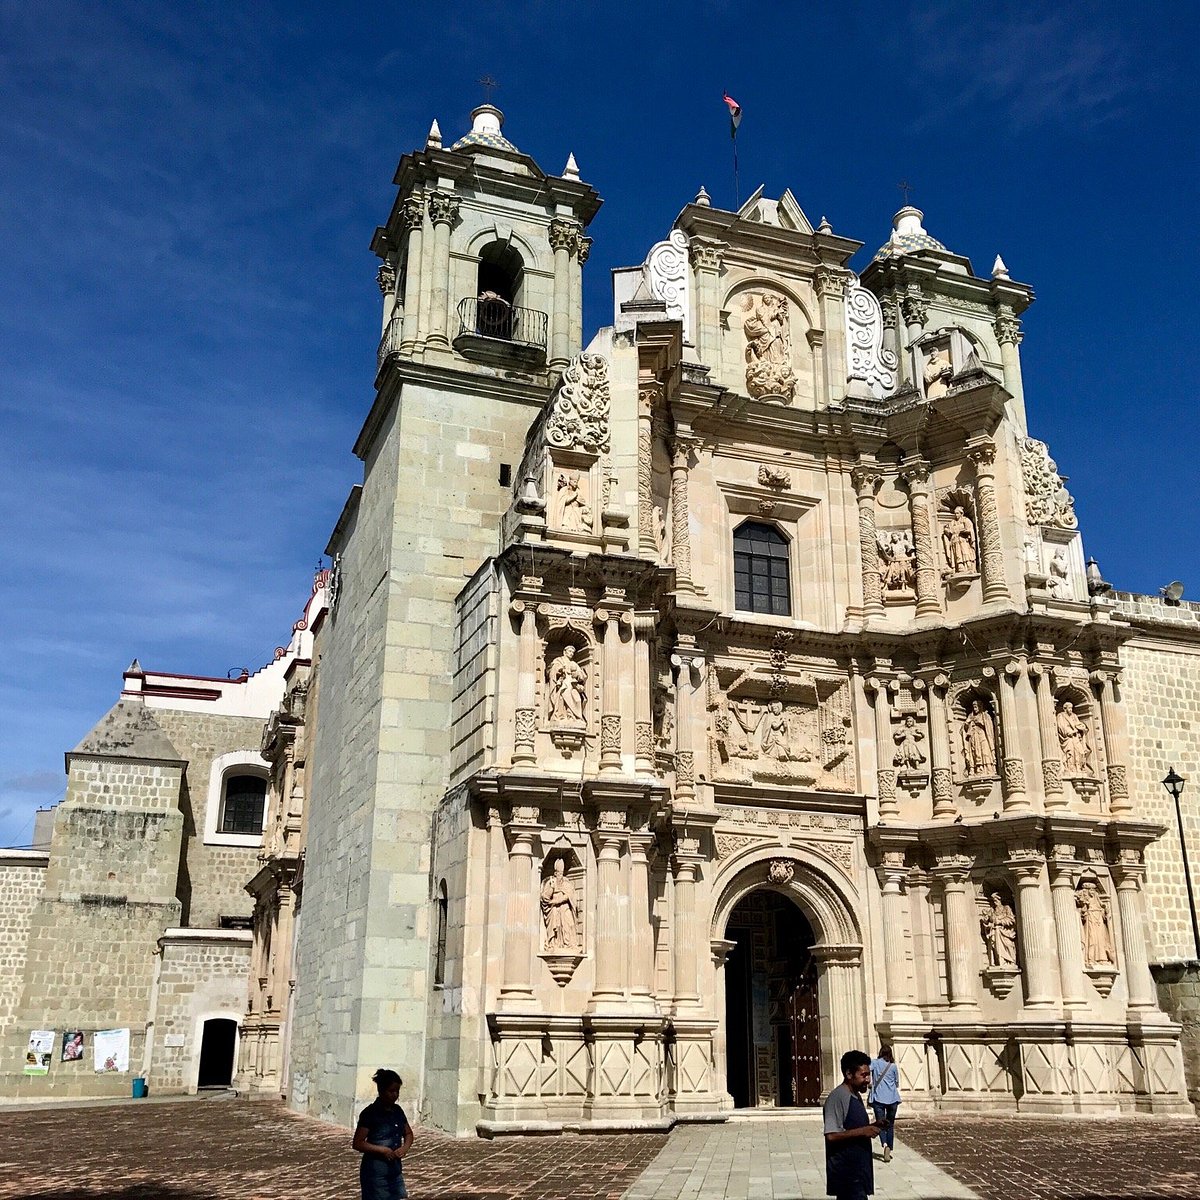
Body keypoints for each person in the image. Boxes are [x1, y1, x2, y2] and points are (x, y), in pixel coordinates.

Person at [823, 1048, 884, 1199]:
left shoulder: (855, 1094)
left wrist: (875, 1125)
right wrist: (864, 1131)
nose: (868, 1080)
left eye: (868, 1074)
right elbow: (831, 1135)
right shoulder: (837, 1097)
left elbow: (852, 1127)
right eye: (863, 1075)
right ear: (849, 1074)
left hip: (858, 1171)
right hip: (846, 1175)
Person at [353, 1068, 414, 1200]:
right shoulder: (370, 1113)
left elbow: (408, 1133)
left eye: (397, 1091)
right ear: (381, 1091)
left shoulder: (398, 1111)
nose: (395, 1095)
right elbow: (358, 1143)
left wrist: (404, 1148)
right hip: (375, 1172)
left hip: (395, 1170)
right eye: (391, 1091)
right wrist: (382, 1150)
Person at [868, 1045, 901, 1164]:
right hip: (893, 1098)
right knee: (890, 1124)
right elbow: (897, 1083)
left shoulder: (875, 1063)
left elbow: (867, 1071)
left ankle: (885, 1144)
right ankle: (890, 1148)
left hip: (878, 1098)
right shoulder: (893, 1066)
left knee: (881, 1124)